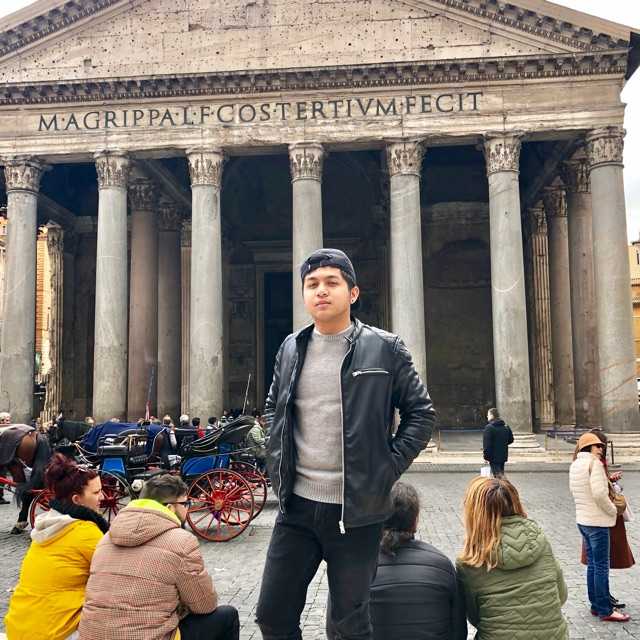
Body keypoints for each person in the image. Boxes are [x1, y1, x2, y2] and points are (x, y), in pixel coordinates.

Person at [256, 248, 435, 640]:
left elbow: (421, 413)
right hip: (297, 507)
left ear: (353, 293)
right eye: (312, 284)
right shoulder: (291, 347)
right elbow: (273, 407)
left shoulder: (385, 347)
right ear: (304, 294)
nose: (321, 291)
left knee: (350, 625)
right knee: (271, 615)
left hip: (356, 512)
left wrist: (386, 468)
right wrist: (276, 459)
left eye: (331, 282)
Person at [79, 473, 239, 640]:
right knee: (227, 616)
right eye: (185, 503)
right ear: (170, 508)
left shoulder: (106, 539)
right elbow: (204, 605)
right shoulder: (182, 541)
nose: (188, 509)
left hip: (92, 636)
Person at [4, 453, 108, 640]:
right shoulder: (85, 532)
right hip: (54, 632)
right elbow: (118, 572)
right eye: (96, 492)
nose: (103, 496)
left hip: (20, 627)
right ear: (76, 500)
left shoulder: (47, 525)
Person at [456, 476, 568, 640]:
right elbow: (561, 595)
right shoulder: (540, 540)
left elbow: (474, 616)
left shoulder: (471, 560)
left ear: (473, 514)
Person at [368, 482, 466, 640]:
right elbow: (459, 630)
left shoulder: (356, 568)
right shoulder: (442, 566)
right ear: (415, 521)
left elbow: (337, 627)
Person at [569, 432, 630, 622]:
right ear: (588, 447)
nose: (601, 449)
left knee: (593, 565)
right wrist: (612, 511)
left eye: (601, 446)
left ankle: (596, 605)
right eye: (597, 446)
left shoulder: (576, 464)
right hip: (598, 522)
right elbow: (599, 494)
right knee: (601, 566)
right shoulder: (594, 464)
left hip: (583, 521)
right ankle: (605, 610)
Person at [482, 408, 513, 477]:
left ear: (492, 415)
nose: (487, 416)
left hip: (493, 457)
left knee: (498, 477)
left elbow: (487, 445)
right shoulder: (506, 426)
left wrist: (486, 457)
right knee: (500, 475)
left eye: (488, 415)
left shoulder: (489, 428)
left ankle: (504, 484)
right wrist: (501, 444)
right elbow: (511, 440)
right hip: (503, 456)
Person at [0, 411, 12, 505]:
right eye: (3, 420)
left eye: (7, 420)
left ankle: (0, 496)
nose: (5, 422)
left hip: (4, 459)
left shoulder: (10, 431)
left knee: (3, 478)